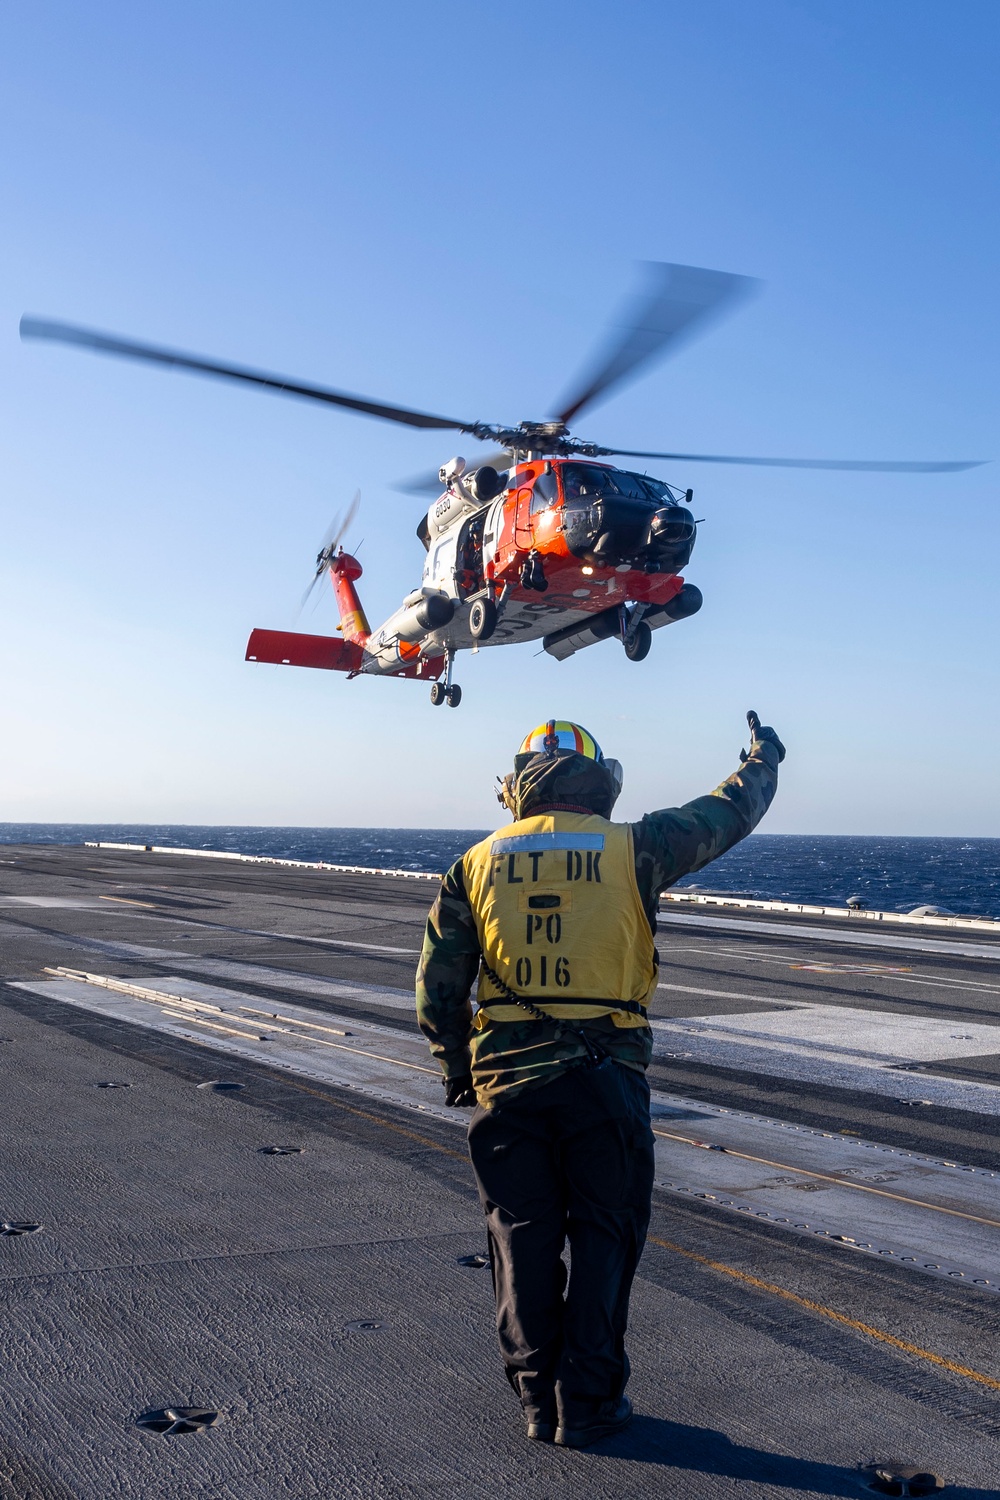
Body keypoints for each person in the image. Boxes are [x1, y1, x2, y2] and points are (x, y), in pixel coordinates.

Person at [416, 712, 784, 1449]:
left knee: (520, 1238)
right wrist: (762, 756)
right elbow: (730, 811)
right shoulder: (637, 847)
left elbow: (436, 988)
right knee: (605, 1237)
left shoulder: (477, 862)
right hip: (606, 1079)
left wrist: (458, 1068)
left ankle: (533, 1399)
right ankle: (587, 1401)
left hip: (508, 1084)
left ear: (517, 784)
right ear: (599, 777)